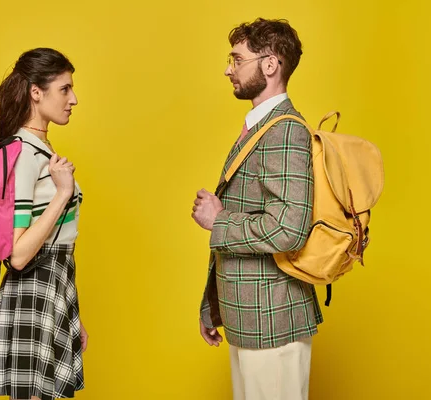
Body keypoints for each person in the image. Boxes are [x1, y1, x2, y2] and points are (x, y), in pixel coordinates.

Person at [191, 18, 323, 400]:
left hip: (274, 319)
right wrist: (213, 306)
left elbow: (290, 228)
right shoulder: (261, 127)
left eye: (237, 59)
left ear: (269, 65)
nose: (228, 69)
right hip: (248, 316)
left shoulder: (285, 132)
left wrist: (219, 219)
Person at [0, 47, 88, 400]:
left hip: (55, 285)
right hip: (34, 288)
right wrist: (62, 194)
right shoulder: (25, 154)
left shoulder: (39, 149)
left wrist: (72, 313)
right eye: (65, 89)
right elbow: (18, 255)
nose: (73, 99)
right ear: (36, 92)